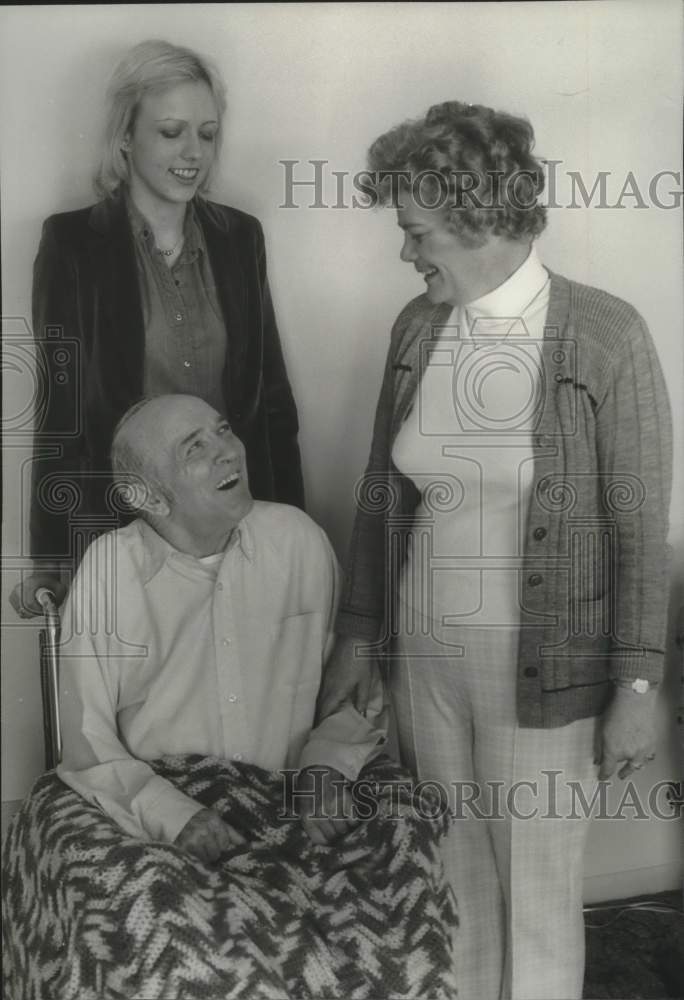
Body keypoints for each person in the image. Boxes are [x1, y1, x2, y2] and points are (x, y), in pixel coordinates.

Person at [317, 101, 672, 1000]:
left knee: (539, 898)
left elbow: (640, 528)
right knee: (455, 882)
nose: (407, 253)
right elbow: (378, 495)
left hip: (543, 668)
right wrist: (358, 639)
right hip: (424, 655)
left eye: (417, 232)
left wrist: (639, 685)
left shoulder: (605, 334)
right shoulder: (416, 329)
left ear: (476, 218)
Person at [10, 39, 304, 620]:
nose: (193, 152)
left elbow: (271, 401)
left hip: (233, 524)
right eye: (171, 132)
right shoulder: (72, 244)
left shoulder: (239, 237)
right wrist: (53, 556)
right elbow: (59, 410)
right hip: (125, 534)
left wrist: (288, 524)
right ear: (125, 136)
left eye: (207, 133)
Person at [56, 394, 386, 860]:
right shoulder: (108, 571)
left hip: (293, 801)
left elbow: (352, 693)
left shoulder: (298, 539)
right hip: (163, 811)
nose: (228, 450)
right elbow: (88, 741)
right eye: (194, 447)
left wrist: (326, 769)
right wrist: (172, 815)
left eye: (224, 429)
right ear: (144, 496)